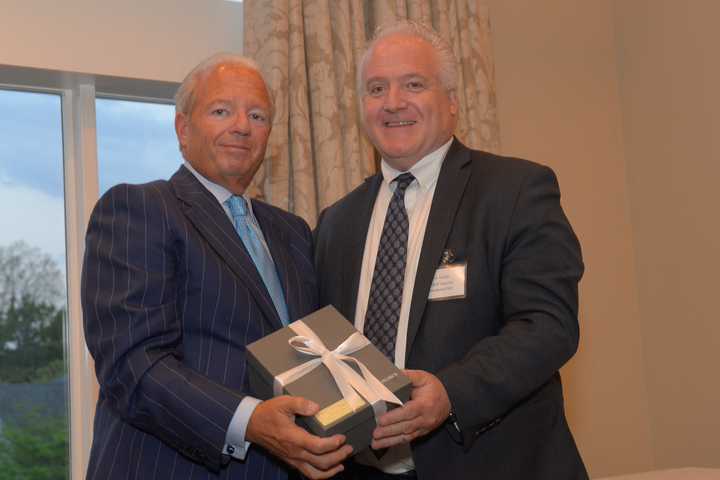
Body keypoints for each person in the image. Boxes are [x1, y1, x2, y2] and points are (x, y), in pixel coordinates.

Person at [314, 22, 588, 479]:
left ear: (453, 101)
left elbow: (548, 324)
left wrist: (451, 392)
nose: (393, 102)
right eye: (376, 88)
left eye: (414, 84)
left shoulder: (516, 190)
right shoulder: (335, 222)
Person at [82, 53, 352, 480]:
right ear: (183, 128)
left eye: (257, 115)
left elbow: (308, 355)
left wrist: (374, 414)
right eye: (221, 111)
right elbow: (132, 364)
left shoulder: (294, 232)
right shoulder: (140, 209)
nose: (242, 126)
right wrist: (250, 420)